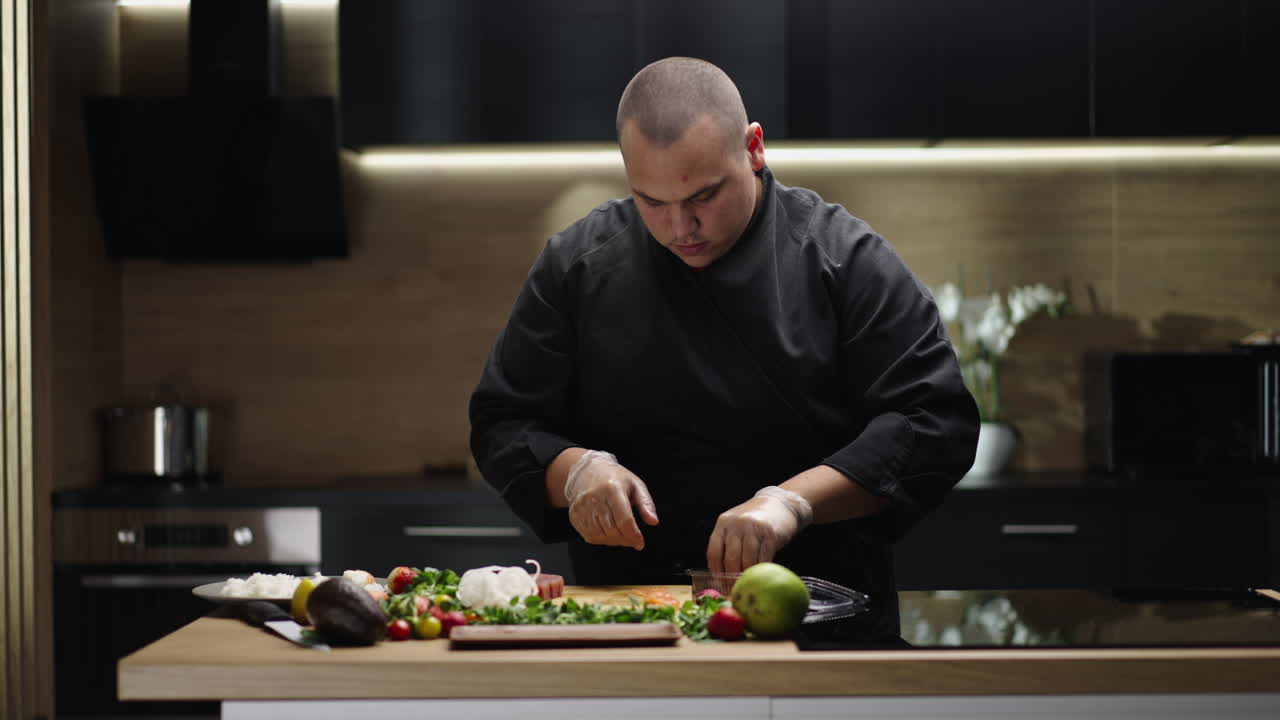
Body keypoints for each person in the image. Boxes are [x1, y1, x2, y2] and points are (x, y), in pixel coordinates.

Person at [469, 57, 978, 633]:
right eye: (651, 201)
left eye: (703, 197)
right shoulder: (578, 266)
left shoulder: (845, 258)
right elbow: (502, 421)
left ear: (754, 149)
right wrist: (576, 472)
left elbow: (934, 420)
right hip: (628, 623)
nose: (680, 227)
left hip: (821, 617)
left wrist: (792, 503)